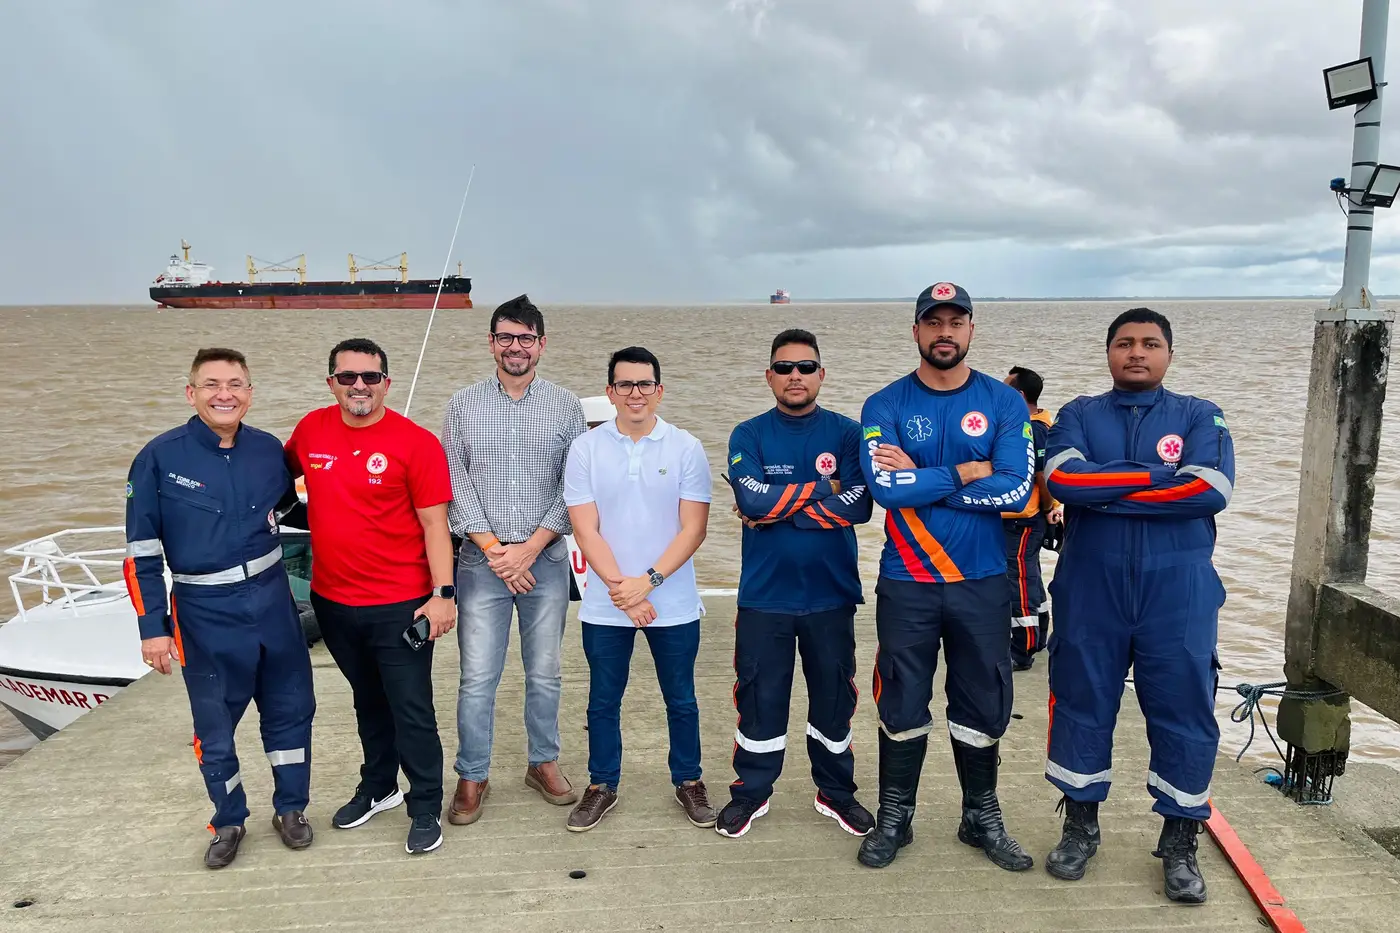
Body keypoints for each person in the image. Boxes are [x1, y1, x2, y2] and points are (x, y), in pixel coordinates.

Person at [1042, 307, 1234, 904]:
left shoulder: (1199, 414)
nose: (1136, 352)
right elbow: (1063, 482)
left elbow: (1209, 490)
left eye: (1150, 343)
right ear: (1108, 352)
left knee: (1185, 710)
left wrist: (1108, 489)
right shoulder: (1078, 414)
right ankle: (1080, 827)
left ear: (1168, 354)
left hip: (1177, 591)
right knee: (1081, 702)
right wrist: (1158, 478)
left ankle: (1180, 841)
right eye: (1124, 343)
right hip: (1090, 587)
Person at [854, 281, 1036, 872]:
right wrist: (968, 470)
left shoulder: (1004, 403)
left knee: (982, 700)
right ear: (916, 331)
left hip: (981, 580)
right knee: (901, 698)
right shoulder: (884, 405)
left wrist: (926, 479)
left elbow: (1016, 490)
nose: (945, 333)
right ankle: (895, 817)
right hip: (907, 580)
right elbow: (886, 489)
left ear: (971, 330)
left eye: (956, 322)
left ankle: (980, 816)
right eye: (934, 322)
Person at [123, 347, 314, 869]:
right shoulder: (158, 458)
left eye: (235, 384)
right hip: (204, 614)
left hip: (274, 606)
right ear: (192, 394)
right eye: (211, 385)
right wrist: (153, 629)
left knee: (291, 710)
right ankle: (228, 820)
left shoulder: (269, 450)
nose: (224, 394)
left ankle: (291, 809)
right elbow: (141, 554)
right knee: (214, 727)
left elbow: (292, 510)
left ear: (249, 393)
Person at [284, 337, 457, 856]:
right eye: (347, 377)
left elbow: (436, 525)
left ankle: (424, 805)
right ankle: (379, 786)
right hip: (333, 602)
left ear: (386, 383)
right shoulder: (310, 430)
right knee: (367, 700)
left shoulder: (416, 443)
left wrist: (443, 594)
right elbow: (273, 480)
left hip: (400, 605)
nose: (359, 386)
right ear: (331, 382)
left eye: (370, 377)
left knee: (411, 709)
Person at [716, 328, 875, 839]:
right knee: (759, 700)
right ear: (769, 376)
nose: (795, 376)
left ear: (821, 374)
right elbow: (751, 500)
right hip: (765, 598)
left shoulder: (848, 434)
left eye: (806, 367)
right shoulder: (748, 434)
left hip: (832, 595)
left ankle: (836, 793)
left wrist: (780, 509)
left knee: (834, 701)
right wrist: (823, 489)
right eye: (784, 368)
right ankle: (751, 792)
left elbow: (861, 504)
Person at [441, 295, 587, 825]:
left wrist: (528, 549)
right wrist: (495, 550)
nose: (516, 347)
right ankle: (472, 773)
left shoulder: (566, 406)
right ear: (491, 343)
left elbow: (575, 486)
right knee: (478, 676)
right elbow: (454, 481)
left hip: (544, 559)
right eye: (506, 337)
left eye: (526, 338)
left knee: (545, 672)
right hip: (482, 562)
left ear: (541, 345)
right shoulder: (462, 405)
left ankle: (542, 761)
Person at [561, 346, 715, 832]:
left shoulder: (685, 447)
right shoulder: (585, 448)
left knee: (681, 699)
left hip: (672, 600)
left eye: (644, 383)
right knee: (603, 701)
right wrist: (621, 590)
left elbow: (693, 529)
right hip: (607, 603)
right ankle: (602, 785)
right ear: (610, 392)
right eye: (624, 384)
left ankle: (689, 780)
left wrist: (646, 583)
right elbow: (585, 528)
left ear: (659, 390)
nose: (635, 393)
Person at [999, 366, 1059, 670]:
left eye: (1005, 388)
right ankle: (1038, 636)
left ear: (1019, 395)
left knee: (1018, 580)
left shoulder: (1034, 429)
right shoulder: (1033, 424)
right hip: (1022, 517)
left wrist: (1048, 509)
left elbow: (1042, 475)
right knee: (1029, 575)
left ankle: (1021, 650)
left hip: (1023, 518)